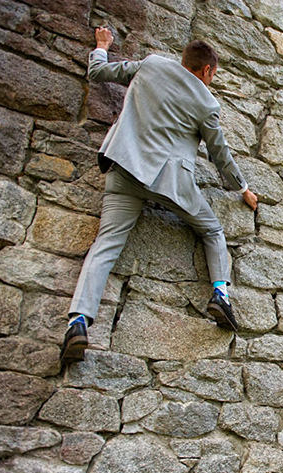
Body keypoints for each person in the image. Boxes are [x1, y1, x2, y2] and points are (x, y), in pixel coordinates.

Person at [61, 28, 258, 362]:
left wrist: (101, 47)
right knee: (212, 230)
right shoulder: (206, 101)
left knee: (105, 247)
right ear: (207, 71)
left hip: (124, 167)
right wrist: (243, 188)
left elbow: (98, 73)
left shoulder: (151, 64)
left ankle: (77, 322)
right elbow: (219, 152)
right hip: (170, 182)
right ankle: (220, 294)